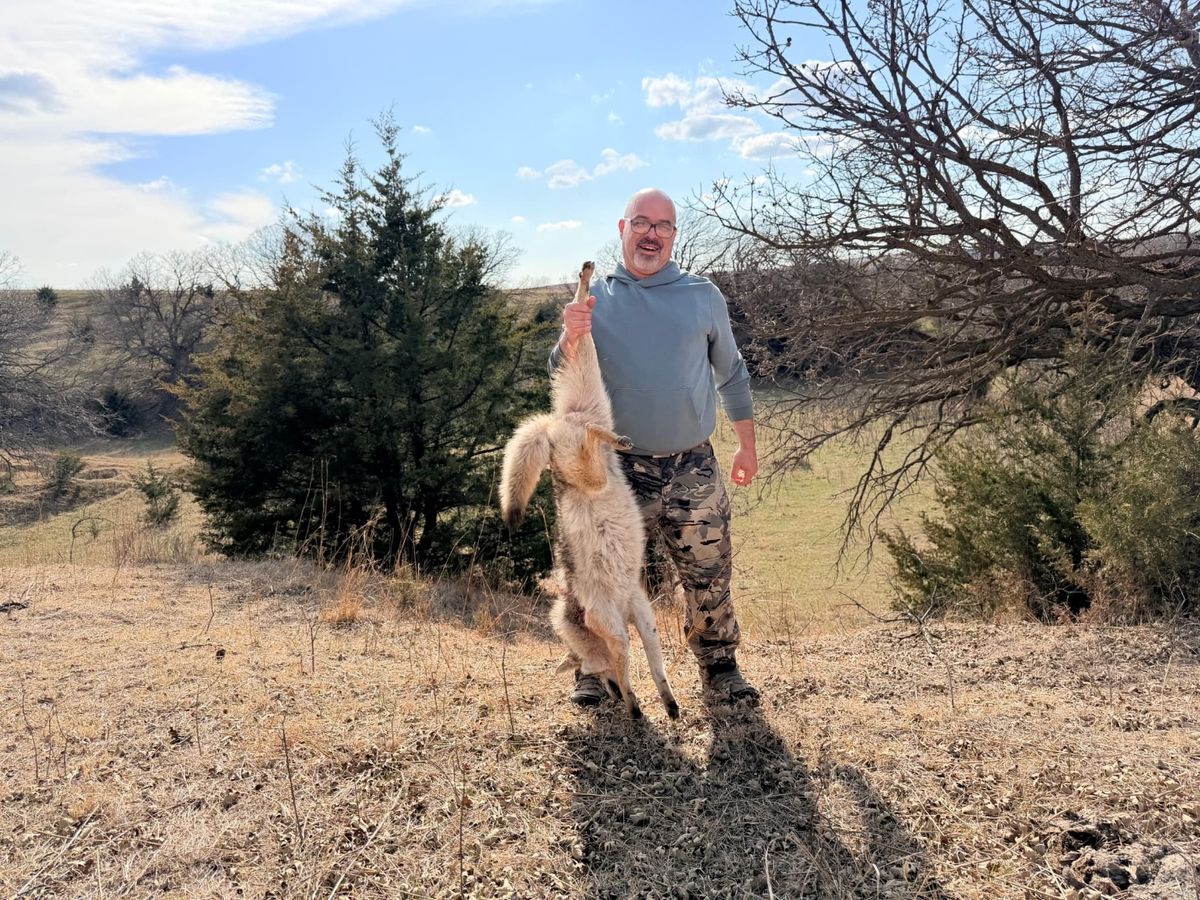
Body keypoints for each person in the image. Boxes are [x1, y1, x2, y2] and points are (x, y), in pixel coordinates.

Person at [550, 187, 761, 706]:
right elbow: (558, 375)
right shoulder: (593, 300)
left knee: (709, 572)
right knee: (595, 575)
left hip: (694, 466)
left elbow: (731, 374)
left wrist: (745, 446)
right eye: (640, 223)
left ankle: (720, 669)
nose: (651, 234)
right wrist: (568, 336)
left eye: (662, 226)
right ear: (622, 230)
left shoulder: (702, 296)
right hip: (612, 471)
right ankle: (594, 673)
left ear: (673, 236)